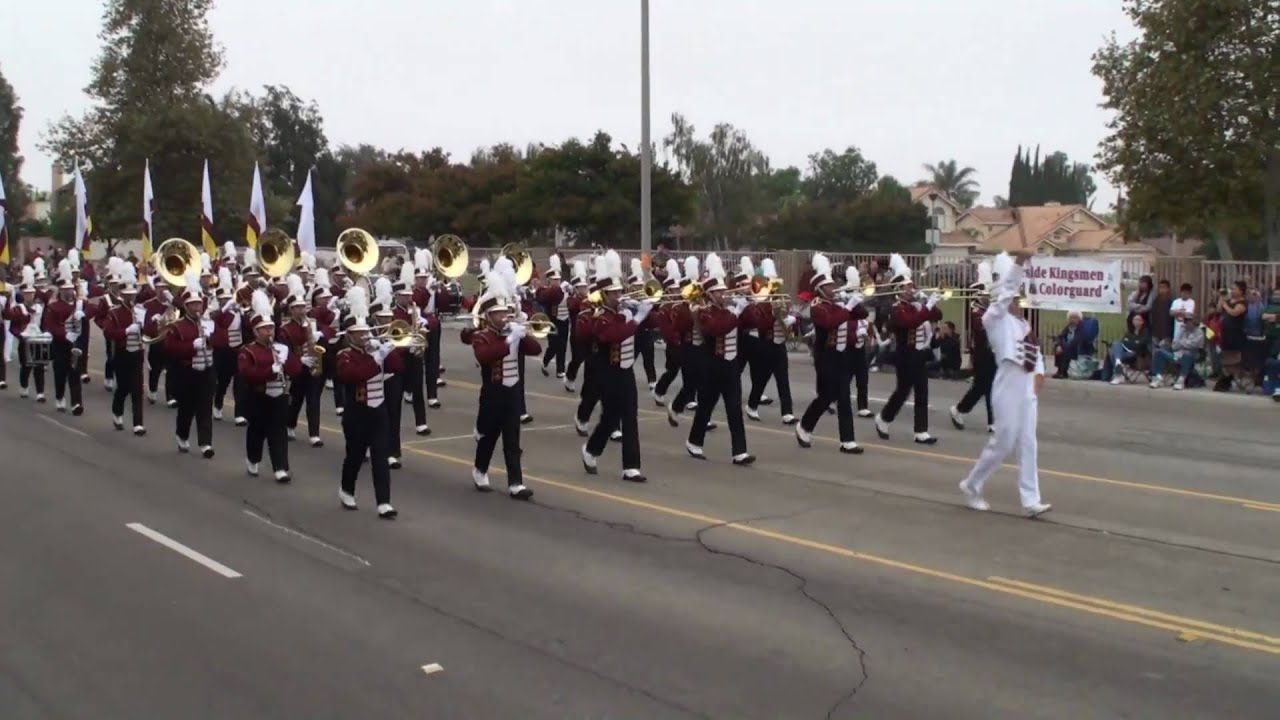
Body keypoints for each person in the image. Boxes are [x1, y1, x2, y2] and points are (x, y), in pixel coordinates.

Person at [959, 251, 1052, 518]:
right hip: (1007, 383)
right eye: (1014, 295)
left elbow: (1035, 352)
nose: (1017, 299)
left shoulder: (1023, 323)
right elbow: (1007, 291)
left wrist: (1038, 378)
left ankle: (1031, 500)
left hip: (1025, 385)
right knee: (1003, 441)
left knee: (1028, 443)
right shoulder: (993, 318)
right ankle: (971, 485)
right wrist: (1019, 263)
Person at [580, 250, 651, 481]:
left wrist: (646, 308)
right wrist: (636, 317)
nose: (618, 295)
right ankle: (591, 449)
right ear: (603, 294)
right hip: (607, 373)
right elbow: (614, 335)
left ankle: (631, 467)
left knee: (630, 416)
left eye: (619, 291)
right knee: (610, 417)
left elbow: (653, 323)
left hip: (626, 370)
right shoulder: (600, 317)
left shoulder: (623, 311)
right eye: (613, 293)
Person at [469, 266, 538, 498]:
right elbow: (485, 356)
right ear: (489, 316)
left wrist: (523, 333)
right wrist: (509, 341)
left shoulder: (512, 332)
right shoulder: (482, 336)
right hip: (493, 393)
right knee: (489, 437)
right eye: (498, 313)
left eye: (505, 312)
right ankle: (480, 469)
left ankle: (516, 483)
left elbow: (535, 349)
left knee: (512, 439)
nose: (503, 316)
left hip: (512, 392)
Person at [334, 285, 401, 519]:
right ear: (349, 335)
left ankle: (384, 502)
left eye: (366, 332)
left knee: (380, 456)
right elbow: (355, 375)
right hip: (357, 414)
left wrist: (388, 349)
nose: (364, 336)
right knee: (355, 456)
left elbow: (397, 367)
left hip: (378, 410)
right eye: (359, 333)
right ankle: (346, 489)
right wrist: (377, 357)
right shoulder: (344, 356)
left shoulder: (374, 350)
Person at [684, 253, 754, 465]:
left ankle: (739, 452)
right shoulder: (703, 311)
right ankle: (694, 441)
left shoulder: (729, 309)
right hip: (712, 365)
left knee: (734, 408)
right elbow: (717, 329)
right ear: (710, 294)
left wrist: (750, 303)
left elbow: (751, 324)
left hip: (731, 365)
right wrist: (737, 311)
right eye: (718, 291)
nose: (723, 294)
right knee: (706, 407)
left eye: (723, 290)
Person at [796, 253, 864, 453]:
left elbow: (862, 314)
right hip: (825, 357)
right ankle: (805, 426)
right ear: (820, 289)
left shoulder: (837, 304)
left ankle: (847, 440)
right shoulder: (817, 307)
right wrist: (847, 306)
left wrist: (853, 299)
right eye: (829, 286)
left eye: (834, 285)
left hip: (841, 355)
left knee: (844, 396)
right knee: (826, 396)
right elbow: (829, 322)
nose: (834, 288)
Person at [875, 254, 942, 444]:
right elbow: (911, 322)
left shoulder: (915, 305)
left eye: (911, 286)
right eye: (907, 287)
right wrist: (926, 307)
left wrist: (928, 302)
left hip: (919, 354)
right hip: (905, 355)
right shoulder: (897, 309)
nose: (911, 289)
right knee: (902, 392)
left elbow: (938, 315)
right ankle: (884, 418)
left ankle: (921, 431)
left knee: (922, 391)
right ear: (899, 289)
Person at [238, 289, 304, 482]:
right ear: (256, 331)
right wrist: (270, 371)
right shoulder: (248, 351)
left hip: (280, 396)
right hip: (259, 396)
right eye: (265, 329)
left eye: (271, 328)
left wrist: (289, 363)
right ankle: (253, 459)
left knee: (279, 432)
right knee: (257, 431)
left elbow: (296, 371)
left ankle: (280, 468)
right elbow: (247, 374)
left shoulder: (281, 348)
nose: (270, 332)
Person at [160, 270, 216, 458]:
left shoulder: (207, 323)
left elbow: (218, 342)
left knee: (205, 407)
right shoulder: (177, 326)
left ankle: (205, 443)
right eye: (192, 304)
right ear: (186, 306)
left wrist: (211, 339)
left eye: (198, 303)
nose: (196, 307)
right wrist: (191, 346)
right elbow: (170, 348)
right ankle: (182, 434)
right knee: (187, 408)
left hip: (206, 370)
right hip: (187, 372)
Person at [100, 264, 146, 434]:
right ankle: (117, 411)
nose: (130, 297)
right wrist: (126, 331)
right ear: (121, 294)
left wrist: (153, 322)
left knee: (138, 389)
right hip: (122, 353)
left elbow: (149, 331)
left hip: (138, 352)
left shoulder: (140, 310)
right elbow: (108, 331)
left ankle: (138, 423)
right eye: (127, 294)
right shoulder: (114, 312)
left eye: (132, 294)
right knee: (124, 387)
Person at [42, 260, 91, 415]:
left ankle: (76, 403)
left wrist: (84, 313)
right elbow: (50, 326)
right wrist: (64, 334)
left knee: (75, 373)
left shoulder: (79, 304)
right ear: (61, 291)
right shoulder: (53, 307)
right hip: (60, 345)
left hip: (75, 344)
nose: (69, 291)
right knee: (60, 373)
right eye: (66, 289)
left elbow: (94, 310)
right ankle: (60, 397)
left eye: (70, 289)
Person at [950, 261, 994, 430]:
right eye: (985, 296)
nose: (987, 299)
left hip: (992, 353)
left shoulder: (989, 311)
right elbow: (983, 327)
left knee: (988, 387)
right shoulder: (976, 311)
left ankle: (990, 420)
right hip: (982, 355)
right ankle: (961, 409)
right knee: (983, 387)